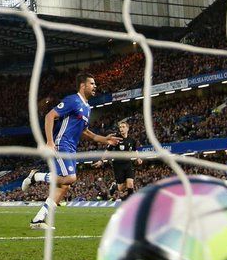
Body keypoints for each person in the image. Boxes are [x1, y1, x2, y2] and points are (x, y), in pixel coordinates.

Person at [22, 73, 120, 229]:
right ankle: (36, 176)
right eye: (92, 83)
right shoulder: (72, 100)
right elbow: (49, 116)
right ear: (83, 85)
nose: (95, 86)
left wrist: (105, 139)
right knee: (70, 178)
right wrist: (49, 142)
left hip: (72, 148)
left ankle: (38, 220)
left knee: (64, 187)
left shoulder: (87, 108)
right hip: (62, 143)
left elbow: (86, 132)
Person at [93, 121, 142, 200]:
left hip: (128, 164)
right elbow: (108, 151)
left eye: (123, 127)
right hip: (118, 165)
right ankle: (115, 186)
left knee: (130, 184)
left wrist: (138, 158)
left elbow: (135, 150)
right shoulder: (116, 139)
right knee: (121, 188)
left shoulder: (132, 140)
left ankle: (130, 202)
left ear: (127, 128)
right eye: (120, 127)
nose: (121, 129)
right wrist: (101, 161)